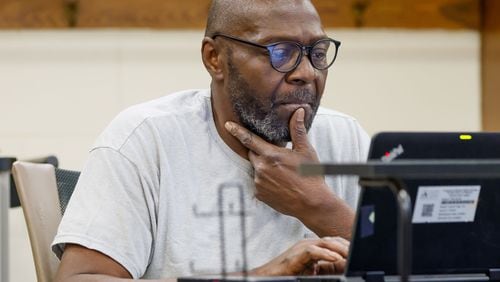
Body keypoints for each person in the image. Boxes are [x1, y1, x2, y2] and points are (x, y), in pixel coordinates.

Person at [52, 0, 370, 280]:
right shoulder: (146, 138)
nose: (307, 72)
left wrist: (320, 207)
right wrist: (261, 277)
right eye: (280, 52)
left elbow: (417, 265)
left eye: (317, 53)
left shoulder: (345, 137)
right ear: (214, 58)